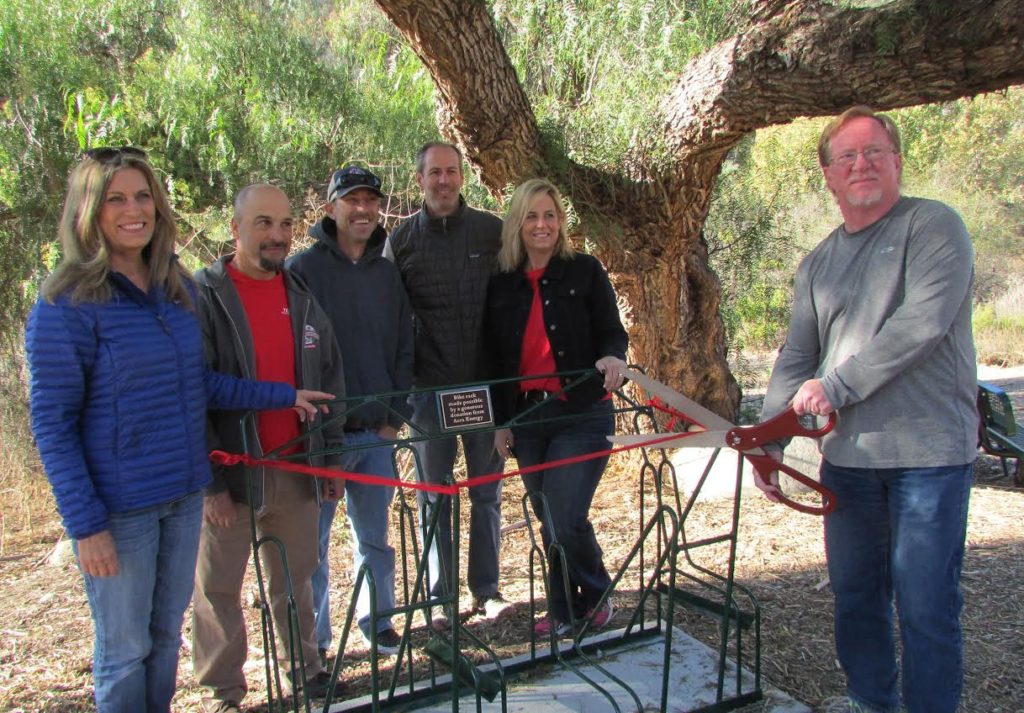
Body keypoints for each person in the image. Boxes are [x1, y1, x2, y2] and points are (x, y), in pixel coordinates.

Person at [25, 150, 329, 713]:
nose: (132, 210)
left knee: (164, 642)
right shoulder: (65, 303)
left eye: (142, 196)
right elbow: (52, 423)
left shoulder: (173, 292)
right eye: (115, 198)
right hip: (121, 511)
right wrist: (85, 525)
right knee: (124, 651)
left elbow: (203, 384)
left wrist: (282, 395)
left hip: (180, 498)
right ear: (88, 211)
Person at [759, 106, 977, 713]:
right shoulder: (817, 263)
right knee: (856, 596)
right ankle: (868, 699)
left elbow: (921, 326)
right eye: (846, 156)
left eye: (874, 151)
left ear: (898, 162)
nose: (862, 164)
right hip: (849, 463)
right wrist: (768, 443)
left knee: (926, 604)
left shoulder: (933, 227)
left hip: (929, 458)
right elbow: (797, 353)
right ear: (828, 177)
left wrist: (837, 385)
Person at [191, 184, 348, 713]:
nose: (277, 236)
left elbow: (330, 381)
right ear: (235, 229)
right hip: (229, 471)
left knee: (296, 580)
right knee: (218, 590)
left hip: (295, 467)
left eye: (284, 225)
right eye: (263, 224)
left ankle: (307, 674)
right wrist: (209, 482)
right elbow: (190, 393)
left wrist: (328, 460)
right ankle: (224, 692)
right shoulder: (204, 296)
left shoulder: (301, 295)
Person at [484, 178, 628, 637]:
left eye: (549, 215)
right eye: (532, 216)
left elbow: (612, 331)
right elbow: (493, 359)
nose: (541, 224)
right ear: (518, 224)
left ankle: (598, 594)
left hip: (582, 411)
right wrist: (501, 422)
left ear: (561, 222)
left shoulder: (584, 271)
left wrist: (612, 356)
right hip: (527, 419)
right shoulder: (502, 284)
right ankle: (565, 609)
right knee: (548, 518)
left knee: (565, 514)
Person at [288, 165, 414, 658]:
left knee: (376, 540)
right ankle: (314, 643)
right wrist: (312, 428)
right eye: (351, 200)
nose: (362, 209)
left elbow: (405, 344)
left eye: (370, 200)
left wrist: (393, 417)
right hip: (322, 438)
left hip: (376, 433)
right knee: (312, 548)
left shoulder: (387, 273)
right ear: (330, 209)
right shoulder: (303, 271)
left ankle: (379, 622)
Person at [384, 142, 507, 622]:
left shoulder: (491, 232)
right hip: (429, 391)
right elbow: (391, 318)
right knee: (434, 494)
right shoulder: (402, 241)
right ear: (420, 180)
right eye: (434, 172)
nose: (443, 181)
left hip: (485, 388)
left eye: (451, 172)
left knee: (487, 492)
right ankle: (440, 597)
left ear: (462, 177)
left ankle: (487, 589)